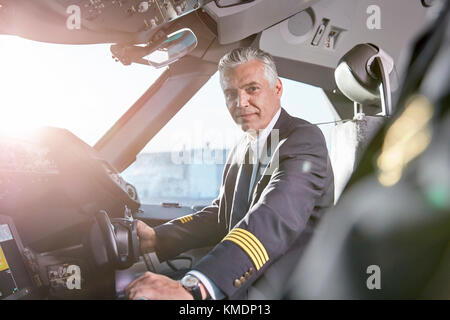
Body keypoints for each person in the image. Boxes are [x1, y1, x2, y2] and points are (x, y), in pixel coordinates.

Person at [125, 47, 334, 300]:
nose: (241, 102)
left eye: (252, 89)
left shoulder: (302, 139)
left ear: (277, 89)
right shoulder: (245, 146)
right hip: (245, 284)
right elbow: (222, 214)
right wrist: (158, 238)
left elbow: (272, 218)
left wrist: (196, 286)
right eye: (230, 93)